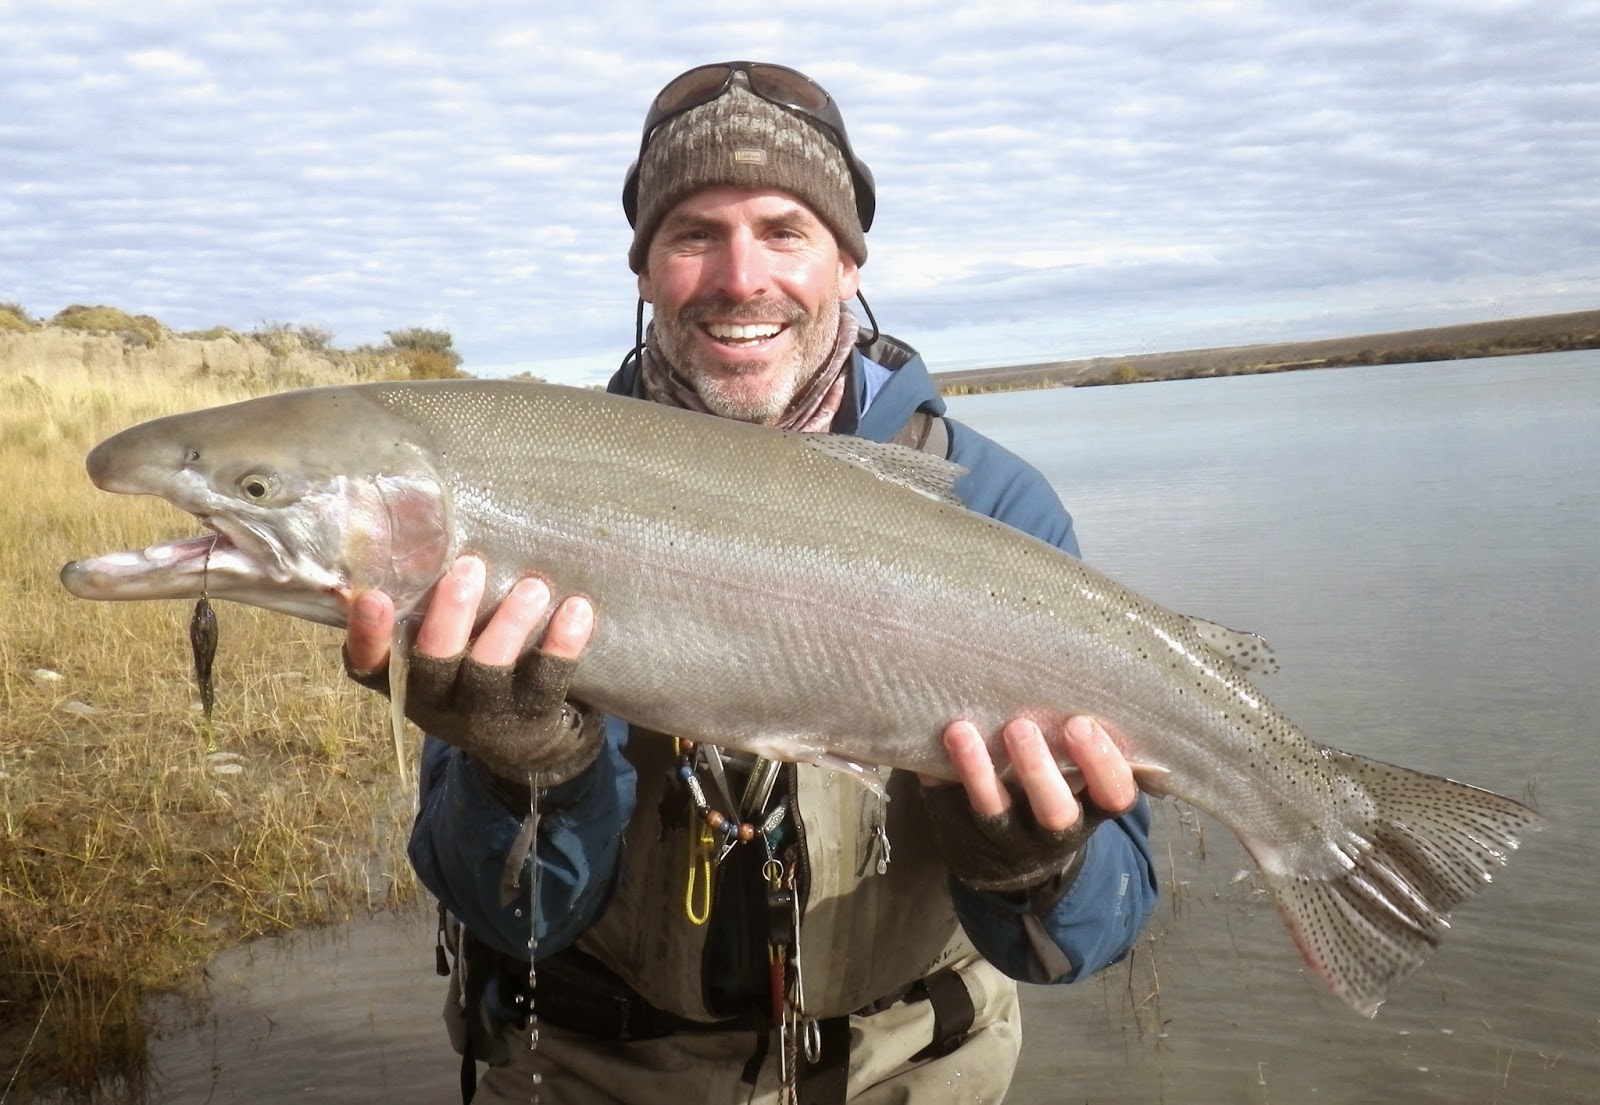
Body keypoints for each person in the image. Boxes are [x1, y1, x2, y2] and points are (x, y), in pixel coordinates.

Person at [345, 61, 1158, 1104]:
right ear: (642, 272)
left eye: (784, 231)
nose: (740, 277)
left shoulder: (989, 502)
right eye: (692, 235)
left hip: (909, 1071)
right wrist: (521, 771)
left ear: (849, 263)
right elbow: (520, 922)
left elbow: (1079, 943)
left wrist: (1037, 865)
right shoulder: (527, 494)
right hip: (595, 1074)